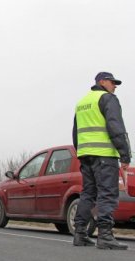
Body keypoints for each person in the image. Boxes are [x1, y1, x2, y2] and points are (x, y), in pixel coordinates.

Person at [72, 72, 131, 250]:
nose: (115, 86)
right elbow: (116, 127)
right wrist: (125, 154)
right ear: (102, 82)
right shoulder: (107, 99)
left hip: (86, 155)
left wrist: (81, 152)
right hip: (104, 155)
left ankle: (80, 233)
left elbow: (75, 133)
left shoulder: (82, 103)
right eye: (112, 82)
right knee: (107, 193)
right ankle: (105, 235)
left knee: (88, 194)